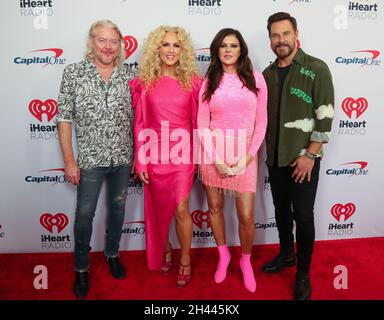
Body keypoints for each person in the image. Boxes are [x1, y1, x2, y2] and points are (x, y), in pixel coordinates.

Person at [56, 20, 135, 299]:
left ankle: (112, 253)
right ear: (91, 42)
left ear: (120, 44)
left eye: (114, 41)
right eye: (102, 40)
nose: (108, 47)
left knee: (117, 210)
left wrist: (140, 157)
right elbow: (64, 119)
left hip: (123, 159)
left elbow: (138, 120)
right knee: (85, 215)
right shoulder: (74, 73)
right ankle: (81, 267)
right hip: (89, 159)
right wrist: (69, 160)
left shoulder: (129, 76)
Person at [262, 12, 334, 300]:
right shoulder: (266, 75)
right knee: (281, 212)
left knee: (303, 216)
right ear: (270, 40)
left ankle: (302, 273)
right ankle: (286, 254)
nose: (280, 40)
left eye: (285, 34)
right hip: (275, 159)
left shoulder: (316, 68)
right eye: (275, 35)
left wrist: (310, 156)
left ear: (295, 34)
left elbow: (325, 115)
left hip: (303, 159)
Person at [129, 26, 201, 287]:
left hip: (182, 154)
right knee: (159, 211)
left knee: (181, 209)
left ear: (183, 51)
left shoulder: (193, 83)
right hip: (154, 152)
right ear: (156, 49)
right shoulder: (144, 84)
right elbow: (139, 123)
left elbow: (196, 124)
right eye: (165, 45)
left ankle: (185, 259)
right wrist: (141, 159)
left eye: (176, 45)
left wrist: (199, 157)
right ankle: (166, 249)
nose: (171, 50)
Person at [197, 28, 268, 293]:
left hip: (244, 156)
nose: (228, 50)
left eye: (234, 45)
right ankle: (223, 254)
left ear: (242, 50)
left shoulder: (256, 79)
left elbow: (261, 122)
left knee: (246, 216)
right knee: (214, 209)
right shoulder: (209, 82)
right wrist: (216, 159)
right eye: (223, 45)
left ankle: (245, 261)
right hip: (213, 155)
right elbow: (202, 125)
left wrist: (248, 157)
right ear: (217, 50)